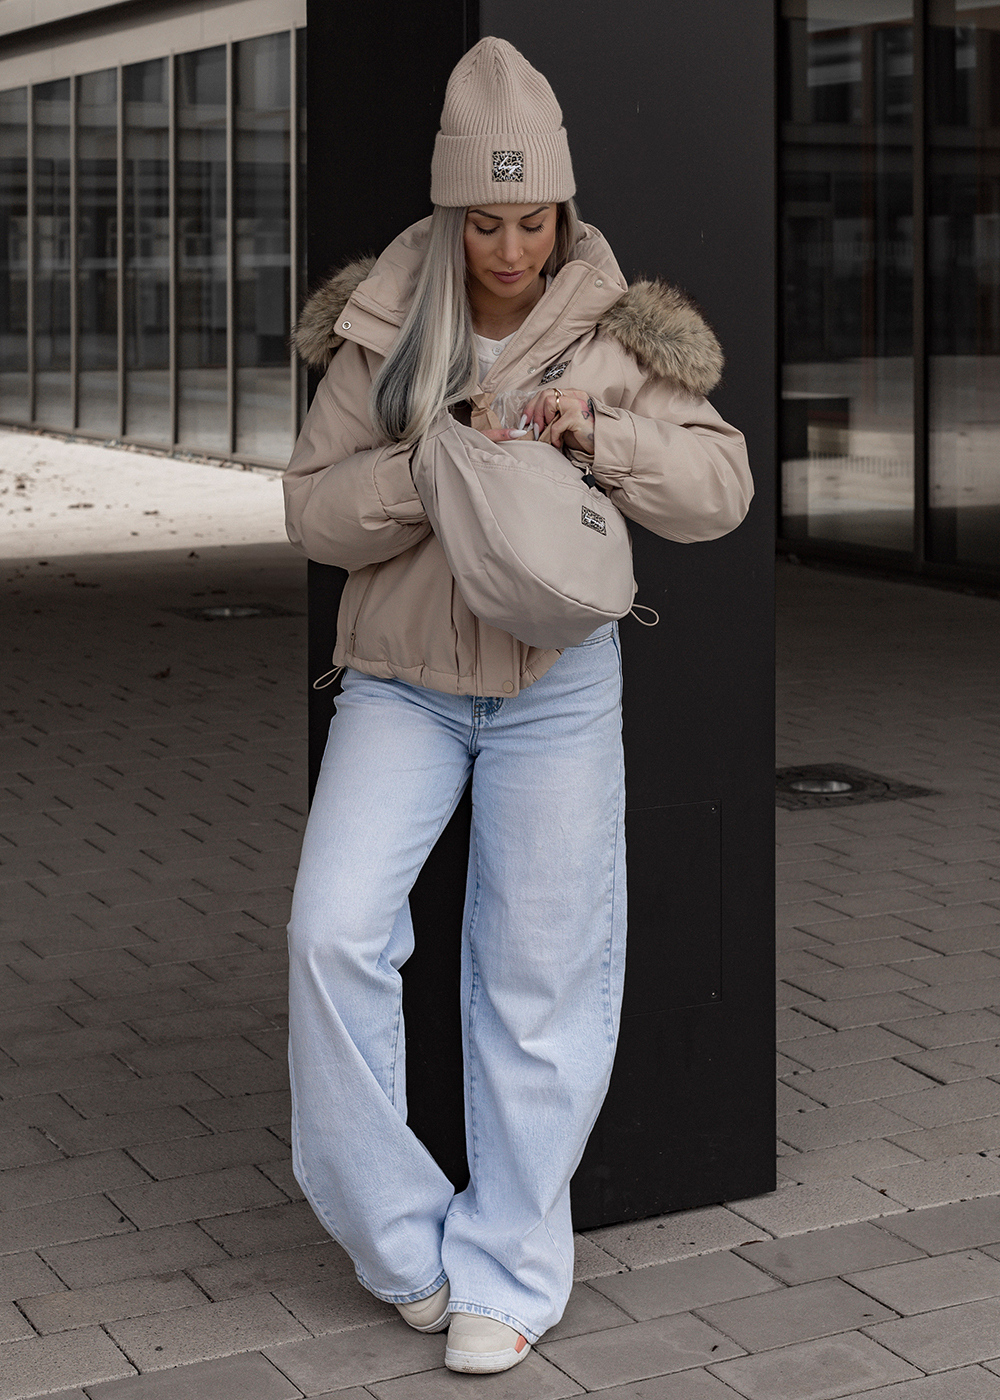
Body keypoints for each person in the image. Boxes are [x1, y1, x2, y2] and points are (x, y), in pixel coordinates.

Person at [283, 37, 752, 1376]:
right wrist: (426, 472)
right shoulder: (382, 319)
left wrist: (600, 435)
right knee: (331, 933)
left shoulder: (618, 327)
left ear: (562, 205)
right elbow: (310, 512)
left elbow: (723, 491)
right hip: (401, 685)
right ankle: (403, 1244)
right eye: (484, 222)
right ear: (449, 209)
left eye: (532, 219)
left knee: (543, 975)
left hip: (557, 687)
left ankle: (510, 1271)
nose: (509, 249)